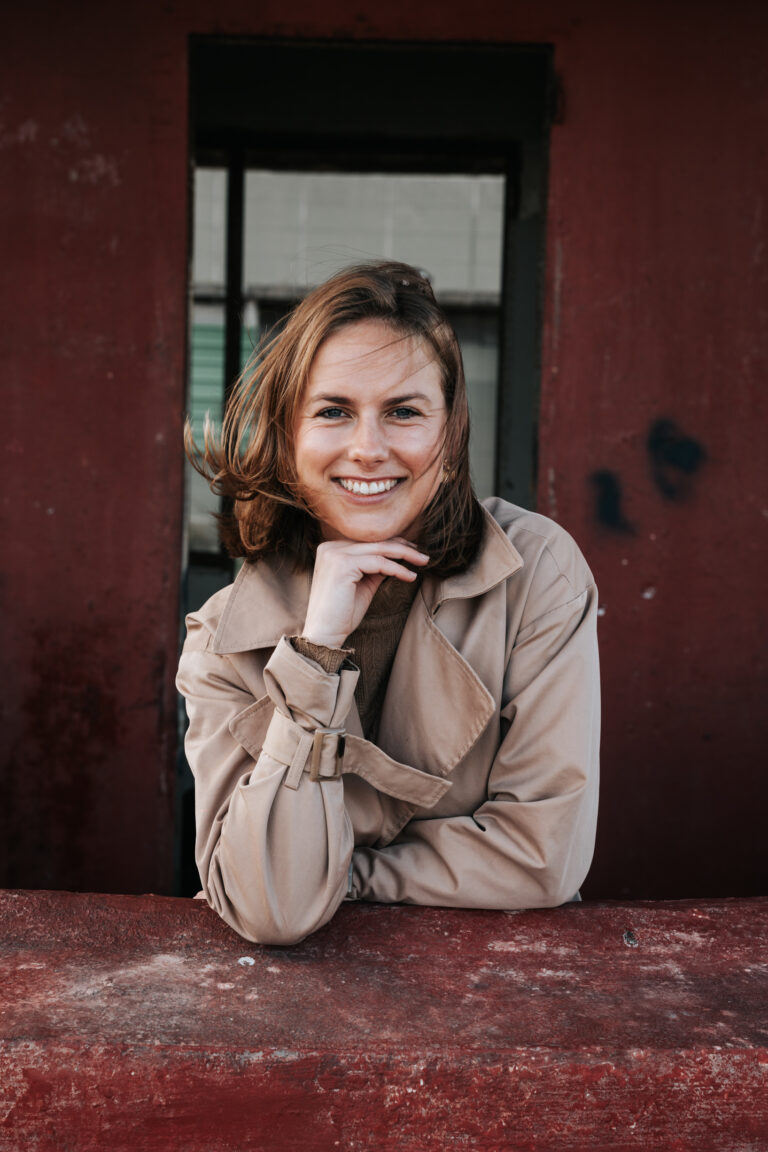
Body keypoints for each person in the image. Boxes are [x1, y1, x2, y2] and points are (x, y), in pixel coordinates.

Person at [176, 260, 600, 946]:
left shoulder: (534, 575)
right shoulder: (224, 638)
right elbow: (271, 908)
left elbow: (540, 856)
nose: (368, 449)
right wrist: (315, 654)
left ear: (450, 436)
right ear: (288, 438)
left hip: (494, 982)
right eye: (333, 412)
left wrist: (340, 877)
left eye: (404, 412)